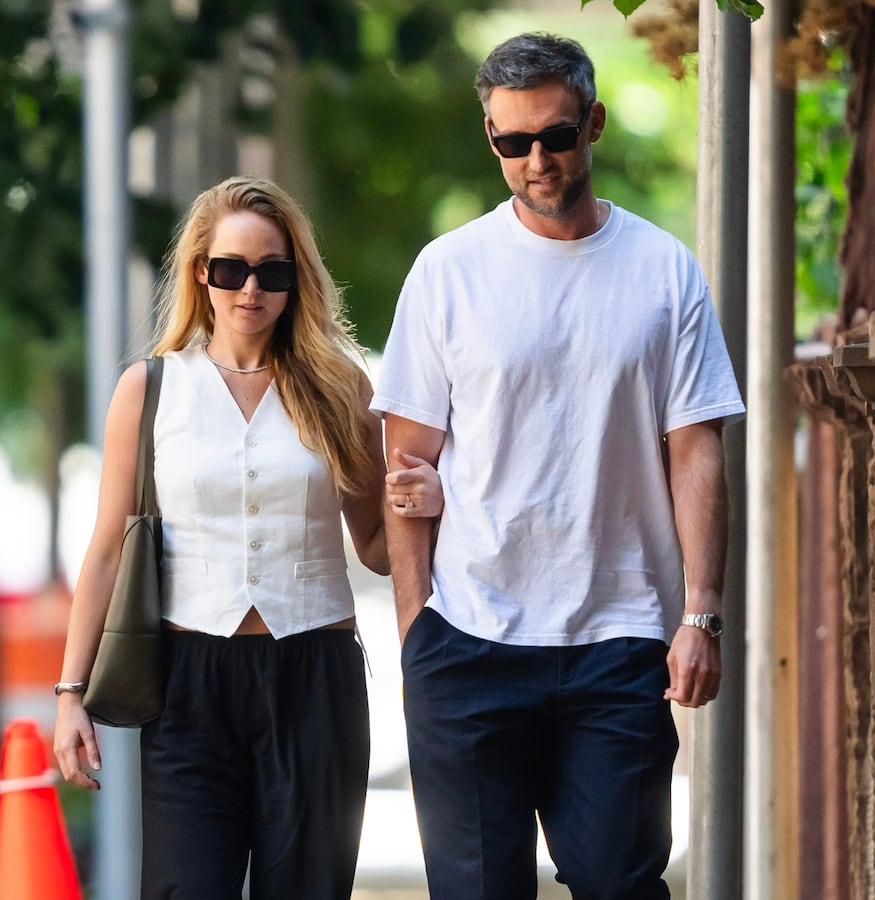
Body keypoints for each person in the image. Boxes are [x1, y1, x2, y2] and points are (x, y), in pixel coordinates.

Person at [373, 33, 746, 899]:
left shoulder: (663, 272)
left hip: (616, 643)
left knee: (618, 884)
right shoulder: (447, 274)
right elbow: (406, 464)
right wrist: (415, 631)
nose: (537, 160)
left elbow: (695, 452)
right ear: (492, 140)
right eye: (513, 142)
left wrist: (705, 616)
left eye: (557, 135)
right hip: (466, 644)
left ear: (595, 124)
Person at [53, 175, 441, 899]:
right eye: (231, 270)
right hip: (189, 681)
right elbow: (107, 548)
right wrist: (71, 692)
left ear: (298, 280)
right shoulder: (151, 388)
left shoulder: (342, 388)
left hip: (314, 676)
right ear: (202, 272)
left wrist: (424, 506)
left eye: (273, 271)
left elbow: (378, 549)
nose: (250, 289)